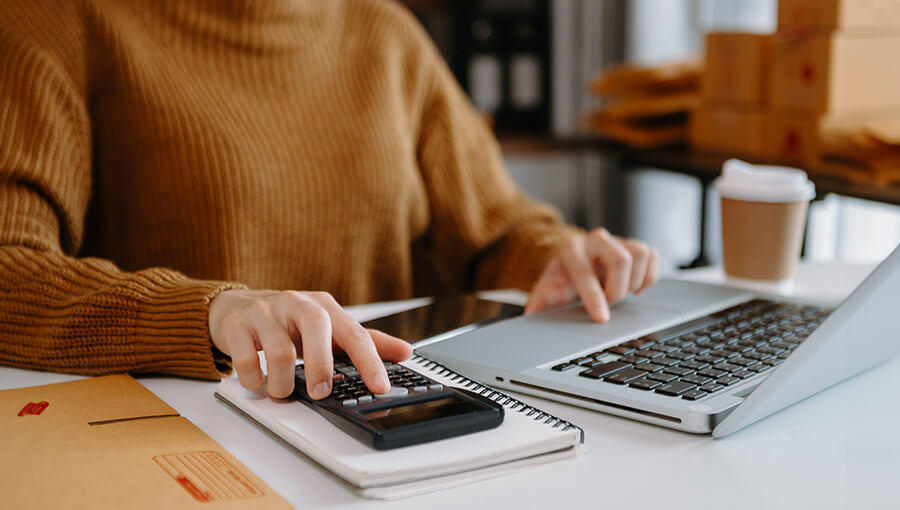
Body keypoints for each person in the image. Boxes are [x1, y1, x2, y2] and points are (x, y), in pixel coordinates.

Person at [0, 0, 659, 401]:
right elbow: (9, 269)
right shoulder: (57, 19)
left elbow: (500, 230)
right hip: (187, 443)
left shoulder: (386, 33)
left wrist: (558, 257)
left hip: (384, 432)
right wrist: (211, 312)